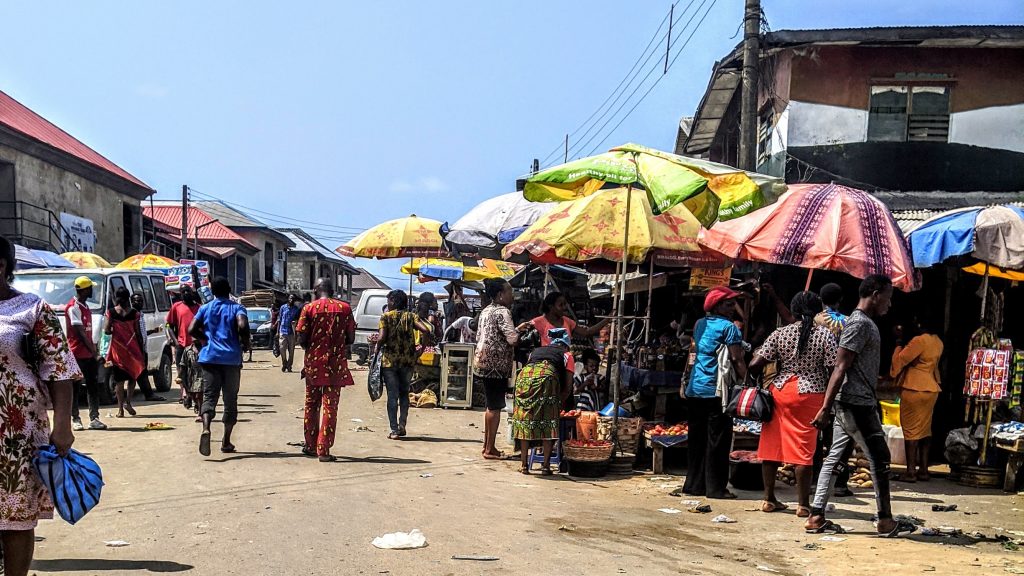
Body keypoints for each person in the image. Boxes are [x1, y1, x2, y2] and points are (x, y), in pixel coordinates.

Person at [807, 274, 916, 538]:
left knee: (835, 457)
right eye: (888, 298)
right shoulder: (859, 324)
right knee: (880, 459)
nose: (889, 305)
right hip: (856, 402)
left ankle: (816, 515)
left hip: (855, 400)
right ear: (876, 294)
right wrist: (825, 407)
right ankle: (885, 520)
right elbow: (840, 366)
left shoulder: (863, 323)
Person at [0, 235, 78, 576]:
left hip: (18, 434)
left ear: (1, 267)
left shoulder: (33, 310)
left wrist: (63, 426)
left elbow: (59, 371)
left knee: (15, 519)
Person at [750, 292, 838, 517]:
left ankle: (769, 499)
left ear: (794, 310)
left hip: (780, 391)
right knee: (804, 449)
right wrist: (829, 404)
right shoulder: (825, 335)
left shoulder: (780, 333)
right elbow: (832, 369)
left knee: (771, 447)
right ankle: (803, 505)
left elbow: (756, 365)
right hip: (811, 394)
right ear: (817, 311)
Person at [682, 285, 747, 499]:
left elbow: (693, 352)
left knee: (697, 439)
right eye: (729, 304)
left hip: (696, 389)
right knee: (718, 441)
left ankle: (694, 485)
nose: (732, 308)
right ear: (718, 306)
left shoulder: (700, 324)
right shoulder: (730, 328)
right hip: (716, 392)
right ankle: (716, 488)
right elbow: (737, 360)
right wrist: (748, 384)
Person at [189, 277, 250, 456]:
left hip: (209, 358)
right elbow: (242, 325)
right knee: (230, 400)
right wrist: (244, 342)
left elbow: (191, 329)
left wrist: (205, 338)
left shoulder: (205, 308)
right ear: (229, 289)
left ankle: (206, 428)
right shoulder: (237, 307)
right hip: (231, 359)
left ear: (213, 291)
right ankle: (226, 441)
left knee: (209, 396)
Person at [296, 278, 355, 462]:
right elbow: (351, 338)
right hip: (335, 365)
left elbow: (301, 337)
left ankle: (310, 445)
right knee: (330, 407)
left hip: (313, 365)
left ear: (315, 290)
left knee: (311, 405)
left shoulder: (309, 308)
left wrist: (312, 346)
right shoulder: (345, 308)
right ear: (332, 290)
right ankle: (324, 449)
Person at [512, 328, 573, 475]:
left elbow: (529, 367)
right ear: (566, 344)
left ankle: (524, 465)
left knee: (525, 420)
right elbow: (568, 387)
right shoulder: (567, 355)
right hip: (547, 379)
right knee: (548, 422)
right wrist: (559, 404)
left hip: (523, 378)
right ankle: (545, 466)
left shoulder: (536, 351)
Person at [890, 316, 944, 482]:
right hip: (931, 388)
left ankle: (911, 471)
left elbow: (900, 360)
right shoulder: (938, 342)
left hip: (915, 388)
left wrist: (899, 342)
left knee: (911, 431)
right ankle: (924, 470)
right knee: (925, 431)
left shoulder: (919, 341)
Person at [474, 278, 522, 459]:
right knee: (495, 407)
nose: (512, 295)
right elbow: (513, 339)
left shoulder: (486, 310)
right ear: (501, 295)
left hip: (483, 363)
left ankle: (488, 445)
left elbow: (481, 334)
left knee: (490, 406)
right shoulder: (503, 312)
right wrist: (521, 332)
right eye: (509, 291)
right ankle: (489, 449)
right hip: (496, 365)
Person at [374, 290, 431, 440]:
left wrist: (376, 349)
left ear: (393, 301)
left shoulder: (385, 317)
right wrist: (421, 349)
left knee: (392, 396)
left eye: (389, 301)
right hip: (408, 361)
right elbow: (426, 330)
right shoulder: (411, 317)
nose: (388, 303)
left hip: (390, 362)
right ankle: (402, 425)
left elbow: (381, 337)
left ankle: (394, 430)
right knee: (404, 393)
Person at [64, 276, 106, 431]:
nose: (92, 291)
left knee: (92, 386)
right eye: (90, 288)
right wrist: (94, 353)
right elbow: (80, 333)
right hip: (76, 354)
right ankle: (75, 418)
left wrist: (94, 352)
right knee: (75, 387)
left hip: (88, 354)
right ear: (84, 290)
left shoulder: (85, 306)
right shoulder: (73, 307)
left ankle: (94, 418)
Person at [105, 288, 146, 418]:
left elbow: (106, 331)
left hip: (118, 351)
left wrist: (115, 328)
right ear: (128, 297)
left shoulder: (111, 312)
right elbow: (138, 334)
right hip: (133, 349)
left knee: (119, 381)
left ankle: (120, 409)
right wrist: (142, 350)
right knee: (132, 377)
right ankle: (128, 402)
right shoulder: (134, 313)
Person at [528, 292, 610, 346]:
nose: (564, 307)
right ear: (551, 307)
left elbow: (587, 332)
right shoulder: (536, 322)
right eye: (561, 305)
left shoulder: (567, 321)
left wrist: (607, 319)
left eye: (565, 304)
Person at [167, 285, 201, 406]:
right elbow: (169, 326)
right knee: (182, 372)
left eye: (188, 291)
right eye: (183, 292)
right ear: (180, 294)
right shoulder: (176, 307)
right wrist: (175, 342)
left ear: (192, 292)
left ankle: (195, 395)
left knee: (197, 372)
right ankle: (186, 393)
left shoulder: (199, 308)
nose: (186, 293)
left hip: (196, 346)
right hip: (181, 344)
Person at [130, 292, 166, 402]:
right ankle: (147, 395)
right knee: (140, 373)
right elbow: (135, 333)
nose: (140, 303)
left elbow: (142, 332)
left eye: (141, 301)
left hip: (143, 348)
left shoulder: (140, 314)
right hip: (137, 349)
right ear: (132, 302)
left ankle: (148, 394)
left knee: (142, 373)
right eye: (137, 301)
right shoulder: (132, 315)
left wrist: (153, 331)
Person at [277, 293, 301, 373]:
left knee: (291, 351)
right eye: (290, 298)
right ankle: (284, 362)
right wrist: (277, 332)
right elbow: (279, 319)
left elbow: (299, 320)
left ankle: (289, 365)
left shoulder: (296, 309)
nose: (291, 300)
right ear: (288, 299)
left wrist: (296, 323)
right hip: (283, 331)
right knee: (282, 349)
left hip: (292, 332)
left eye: (293, 299)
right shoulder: (283, 308)